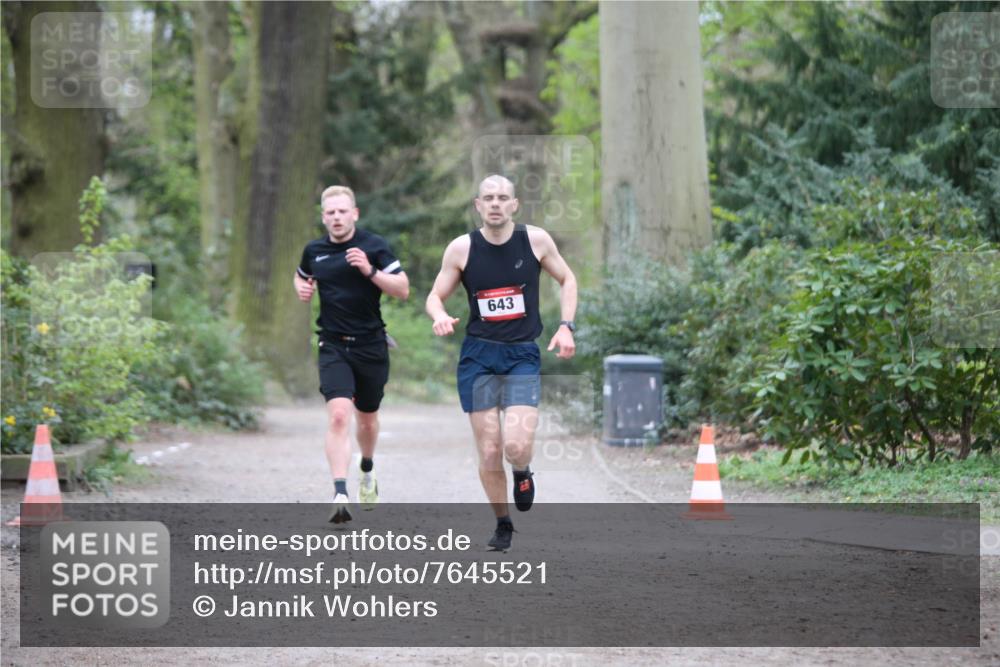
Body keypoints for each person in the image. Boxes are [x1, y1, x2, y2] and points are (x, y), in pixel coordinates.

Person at [426, 174, 577, 550]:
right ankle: (503, 523)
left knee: (516, 446)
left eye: (502, 197)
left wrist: (566, 327)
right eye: (488, 198)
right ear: (478, 205)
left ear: (514, 204)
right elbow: (434, 296)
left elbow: (568, 279)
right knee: (490, 448)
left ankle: (523, 471)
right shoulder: (461, 248)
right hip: (478, 356)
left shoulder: (536, 240)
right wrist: (439, 315)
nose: (495, 203)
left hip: (521, 354)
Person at [294, 185, 409, 523]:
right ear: (323, 217)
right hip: (332, 344)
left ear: (354, 214)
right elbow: (301, 277)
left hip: (371, 345)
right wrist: (300, 287)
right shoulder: (314, 250)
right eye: (330, 213)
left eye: (342, 211)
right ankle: (340, 493)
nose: (336, 218)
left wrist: (370, 271)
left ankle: (367, 468)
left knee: (367, 418)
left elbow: (403, 289)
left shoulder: (374, 246)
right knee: (339, 416)